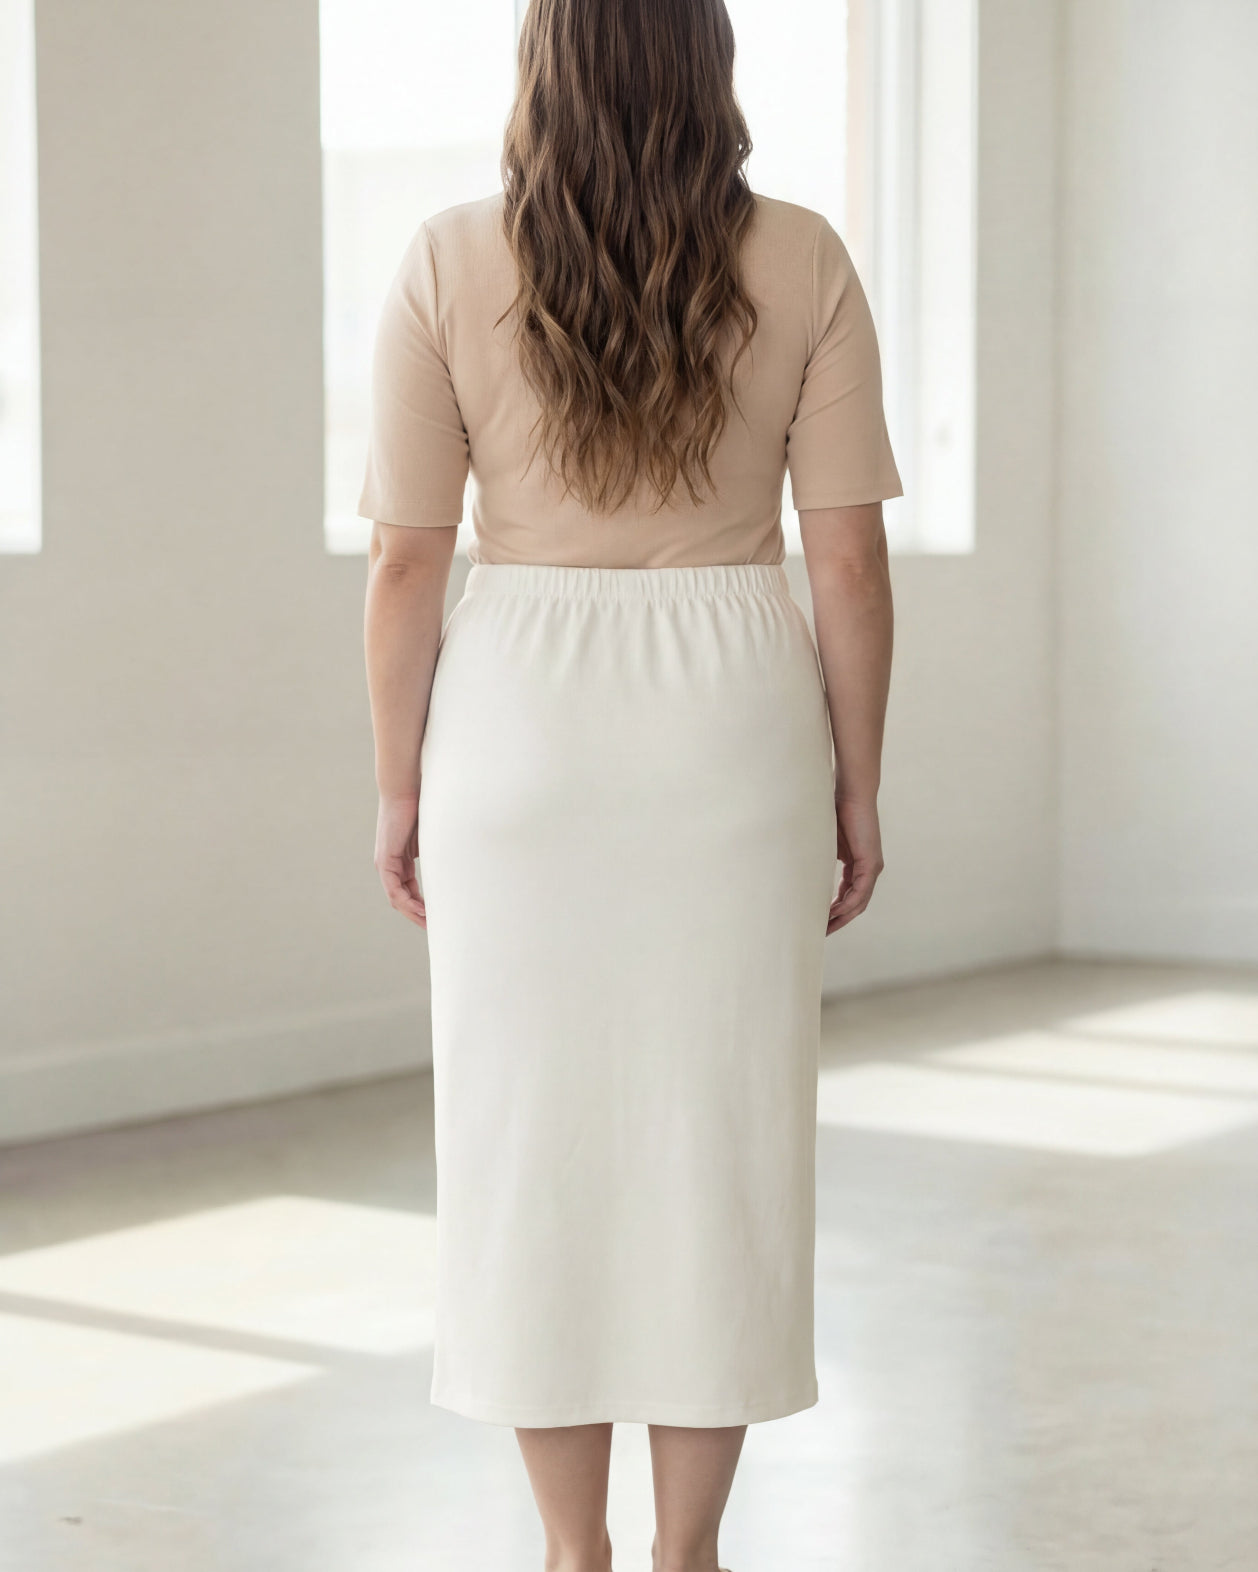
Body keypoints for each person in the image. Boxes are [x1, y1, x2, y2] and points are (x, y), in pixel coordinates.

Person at [360, 2, 899, 1567]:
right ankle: (685, 1552)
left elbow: (405, 562)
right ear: (705, 62)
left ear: (543, 67)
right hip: (730, 723)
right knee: (711, 1145)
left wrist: (399, 785)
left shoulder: (447, 259)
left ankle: (568, 1549)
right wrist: (855, 782)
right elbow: (847, 557)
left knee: (533, 1151)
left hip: (515, 725)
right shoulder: (801, 257)